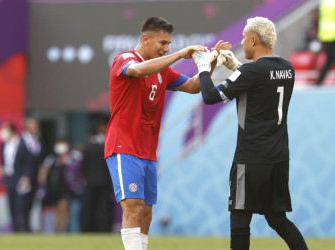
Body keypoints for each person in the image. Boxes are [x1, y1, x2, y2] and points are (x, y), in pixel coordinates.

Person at [104, 16, 231, 250]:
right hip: (124, 146)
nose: (166, 48)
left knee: (146, 213)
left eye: (169, 44)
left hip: (148, 150)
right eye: (162, 43)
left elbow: (193, 87)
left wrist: (212, 62)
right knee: (133, 205)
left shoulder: (162, 71)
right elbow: (138, 70)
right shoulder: (125, 59)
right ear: (146, 38)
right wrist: (181, 54)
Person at [192, 16, 308, 250]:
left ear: (254, 39)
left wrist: (204, 68)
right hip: (278, 156)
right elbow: (259, 83)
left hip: (251, 157)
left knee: (239, 219)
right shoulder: (287, 68)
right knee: (277, 219)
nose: (242, 43)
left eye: (244, 39)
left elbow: (210, 96)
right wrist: (236, 66)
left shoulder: (251, 72)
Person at [0, 122, 31, 232]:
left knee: (21, 204)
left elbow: (27, 162)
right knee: (11, 204)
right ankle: (15, 229)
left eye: (5, 130)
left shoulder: (22, 143)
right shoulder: (3, 145)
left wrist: (25, 176)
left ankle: (24, 229)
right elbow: (3, 161)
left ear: (12, 131)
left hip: (20, 179)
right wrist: (2, 169)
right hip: (9, 178)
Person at [82, 123, 114, 232]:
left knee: (89, 207)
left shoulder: (88, 145)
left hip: (90, 182)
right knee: (103, 208)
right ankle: (103, 229)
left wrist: (86, 178)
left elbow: (84, 165)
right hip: (104, 182)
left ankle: (88, 229)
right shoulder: (108, 145)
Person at [21, 117, 44, 231]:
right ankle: (22, 227)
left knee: (31, 202)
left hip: (34, 176)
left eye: (35, 124)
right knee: (22, 203)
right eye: (32, 124)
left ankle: (28, 227)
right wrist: (23, 175)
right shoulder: (21, 140)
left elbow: (40, 158)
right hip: (24, 177)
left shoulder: (38, 139)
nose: (34, 126)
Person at [316, 0, 335, 85]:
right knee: (330, 59)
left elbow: (319, 18)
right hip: (331, 35)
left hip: (326, 35)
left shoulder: (324, 2)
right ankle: (319, 81)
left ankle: (319, 81)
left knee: (330, 59)